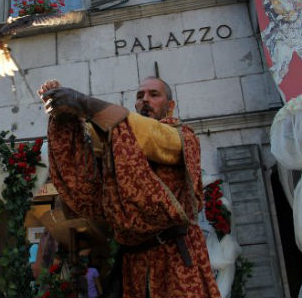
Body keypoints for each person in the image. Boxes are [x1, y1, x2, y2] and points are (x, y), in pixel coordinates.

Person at [39, 77, 220, 298]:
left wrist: (86, 103)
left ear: (170, 106)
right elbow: (87, 145)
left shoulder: (183, 137)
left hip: (175, 259)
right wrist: (65, 113)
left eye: (154, 95)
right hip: (134, 264)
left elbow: (149, 135)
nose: (145, 100)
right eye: (140, 96)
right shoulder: (117, 140)